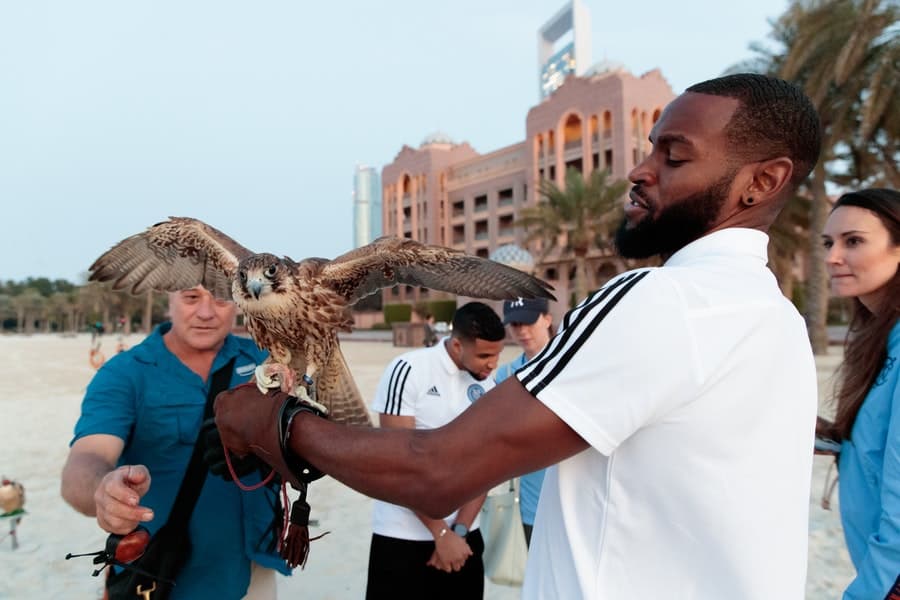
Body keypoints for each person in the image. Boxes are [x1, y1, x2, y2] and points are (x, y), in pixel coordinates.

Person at [212, 73, 823, 598]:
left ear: (763, 181)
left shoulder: (665, 301)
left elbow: (439, 470)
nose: (640, 170)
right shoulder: (778, 321)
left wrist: (279, 426)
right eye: (649, 149)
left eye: (675, 156)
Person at [61, 286, 290, 599]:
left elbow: (314, 444)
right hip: (160, 572)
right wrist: (103, 492)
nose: (206, 313)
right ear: (167, 298)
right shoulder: (126, 372)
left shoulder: (268, 361)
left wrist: (278, 447)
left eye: (221, 298)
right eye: (191, 298)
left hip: (254, 569)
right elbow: (86, 458)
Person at [366, 301, 505, 600]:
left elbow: (486, 465)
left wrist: (460, 531)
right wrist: (440, 533)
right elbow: (396, 464)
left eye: (497, 354)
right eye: (484, 355)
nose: (492, 364)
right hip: (403, 536)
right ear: (457, 345)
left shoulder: (488, 384)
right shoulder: (409, 370)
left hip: (465, 538)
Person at [818, 188, 900, 599]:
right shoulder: (878, 341)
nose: (833, 257)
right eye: (829, 243)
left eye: (854, 241)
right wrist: (835, 436)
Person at [494, 297, 553, 546]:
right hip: (532, 503)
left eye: (529, 321)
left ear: (547, 319)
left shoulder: (575, 365)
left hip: (579, 500)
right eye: (515, 324)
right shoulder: (505, 375)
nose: (522, 331)